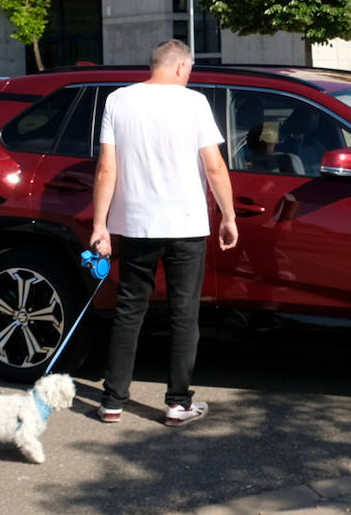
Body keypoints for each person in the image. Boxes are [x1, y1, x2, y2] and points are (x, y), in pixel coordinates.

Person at [89, 39, 239, 427]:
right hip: (185, 224)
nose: (188, 77)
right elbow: (215, 167)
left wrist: (100, 225)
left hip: (135, 224)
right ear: (179, 67)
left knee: (129, 310)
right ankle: (177, 402)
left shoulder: (118, 101)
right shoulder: (194, 103)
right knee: (184, 314)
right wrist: (228, 216)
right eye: (188, 71)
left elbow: (107, 169)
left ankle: (112, 401)